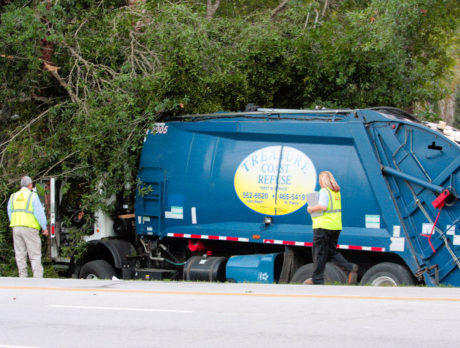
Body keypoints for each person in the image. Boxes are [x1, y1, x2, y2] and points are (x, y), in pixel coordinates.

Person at [306, 171, 357, 285]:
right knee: (329, 252)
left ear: (322, 181)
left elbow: (323, 206)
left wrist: (311, 209)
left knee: (318, 253)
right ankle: (349, 268)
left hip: (323, 226)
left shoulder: (324, 191)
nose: (319, 182)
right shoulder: (336, 193)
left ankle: (317, 279)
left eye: (319, 180)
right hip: (335, 226)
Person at [7, 176, 49, 278]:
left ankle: (22, 277)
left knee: (20, 254)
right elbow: (39, 213)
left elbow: (10, 212)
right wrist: (44, 228)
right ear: (30, 185)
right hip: (30, 228)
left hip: (16, 228)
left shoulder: (13, 196)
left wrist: (15, 223)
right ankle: (37, 278)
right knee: (34, 254)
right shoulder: (32, 196)